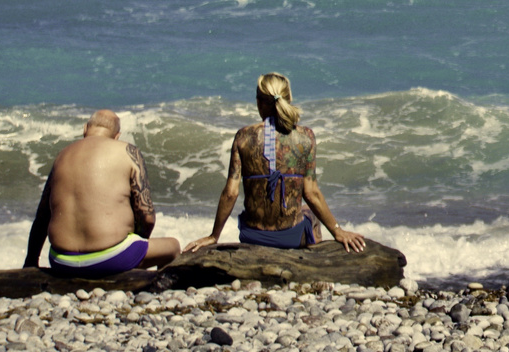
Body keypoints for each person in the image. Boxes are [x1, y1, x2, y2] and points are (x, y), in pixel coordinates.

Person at [186, 73, 366, 253]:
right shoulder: (306, 137)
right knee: (309, 215)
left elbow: (230, 194)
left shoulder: (243, 136)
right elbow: (311, 194)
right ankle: (312, 264)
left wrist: (213, 236)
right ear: (288, 99)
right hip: (291, 237)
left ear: (259, 102)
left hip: (252, 236)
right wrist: (337, 230)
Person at [23, 109, 182, 275]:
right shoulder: (128, 151)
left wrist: (31, 261)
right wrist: (137, 242)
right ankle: (156, 290)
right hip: (110, 258)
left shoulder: (62, 156)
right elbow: (147, 217)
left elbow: (42, 217)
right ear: (117, 136)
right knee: (172, 246)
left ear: (85, 129)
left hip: (62, 261)